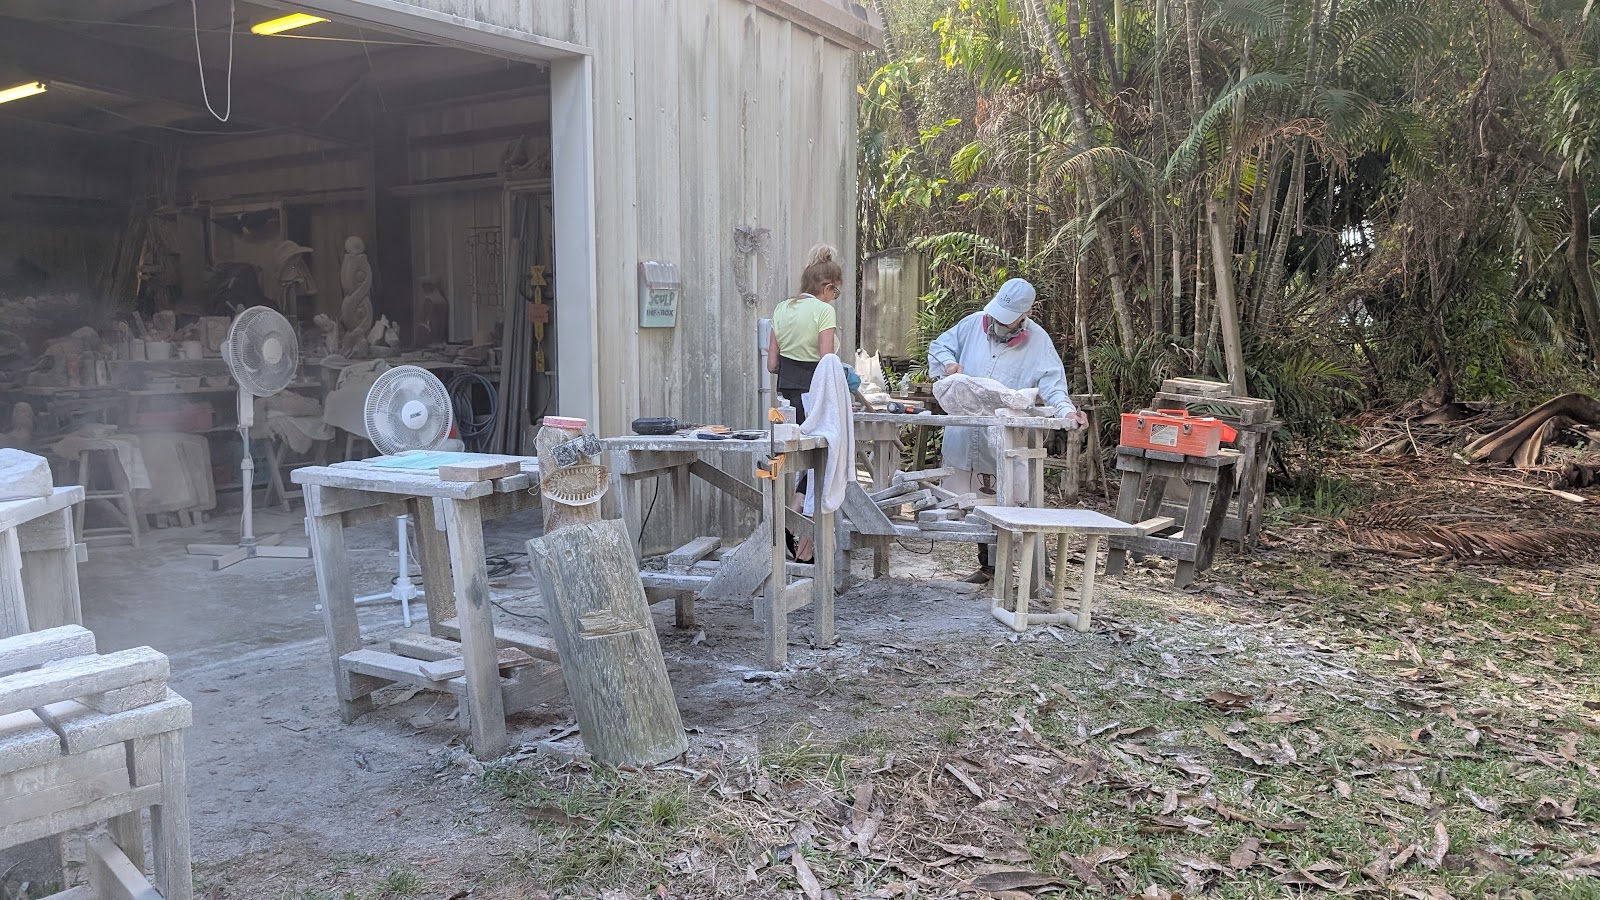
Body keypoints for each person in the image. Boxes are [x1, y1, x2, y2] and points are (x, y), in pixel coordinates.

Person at [928, 277, 1086, 584]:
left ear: (1023, 317)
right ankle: (987, 566)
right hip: (966, 430)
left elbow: (1053, 385)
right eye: (996, 317)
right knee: (972, 500)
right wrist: (948, 365)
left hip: (1005, 438)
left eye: (1006, 320)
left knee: (1009, 501)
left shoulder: (1038, 342)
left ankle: (1033, 568)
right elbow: (940, 347)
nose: (998, 324)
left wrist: (1067, 411)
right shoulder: (974, 323)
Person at [767, 245, 844, 562]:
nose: (833, 298)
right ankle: (806, 547)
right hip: (815, 394)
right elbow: (826, 359)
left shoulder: (781, 309)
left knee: (802, 462)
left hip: (786, 397)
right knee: (821, 465)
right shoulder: (824, 311)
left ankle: (794, 513)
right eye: (834, 292)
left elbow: (772, 364)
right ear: (827, 287)